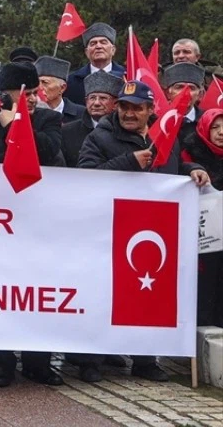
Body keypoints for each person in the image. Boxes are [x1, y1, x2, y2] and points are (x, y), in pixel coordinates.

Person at [74, 80, 209, 382]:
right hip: (109, 229)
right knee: (103, 295)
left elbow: (171, 169)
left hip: (153, 230)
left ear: (151, 110)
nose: (129, 113)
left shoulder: (167, 136)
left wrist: (192, 170)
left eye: (137, 108)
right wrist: (128, 162)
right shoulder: (100, 137)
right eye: (124, 106)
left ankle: (145, 360)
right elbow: (85, 178)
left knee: (148, 297)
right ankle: (90, 361)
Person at [0, 63, 64, 387]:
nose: (33, 97)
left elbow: (52, 156)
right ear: (5, 94)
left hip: (36, 223)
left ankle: (38, 362)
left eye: (35, 90)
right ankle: (2, 362)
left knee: (35, 294)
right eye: (23, 91)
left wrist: (17, 127)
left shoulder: (51, 120)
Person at [183, 109, 223, 327]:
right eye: (215, 127)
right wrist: (192, 169)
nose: (221, 133)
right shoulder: (190, 154)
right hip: (200, 240)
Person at [61, 71, 124, 168]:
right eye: (92, 98)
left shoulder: (124, 132)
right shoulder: (67, 132)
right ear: (86, 101)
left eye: (103, 98)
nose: (96, 103)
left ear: (115, 104)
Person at [64, 23, 126, 105]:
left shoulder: (127, 77)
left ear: (113, 50)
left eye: (103, 42)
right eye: (93, 43)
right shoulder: (71, 81)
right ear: (86, 52)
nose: (98, 46)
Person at [35, 56, 84, 124]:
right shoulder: (29, 111)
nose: (39, 88)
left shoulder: (82, 114)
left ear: (62, 88)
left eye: (45, 82)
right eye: (37, 83)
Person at [163, 62, 206, 127]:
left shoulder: (207, 121)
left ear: (200, 94)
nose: (185, 93)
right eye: (179, 87)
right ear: (168, 93)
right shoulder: (156, 120)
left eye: (191, 88)